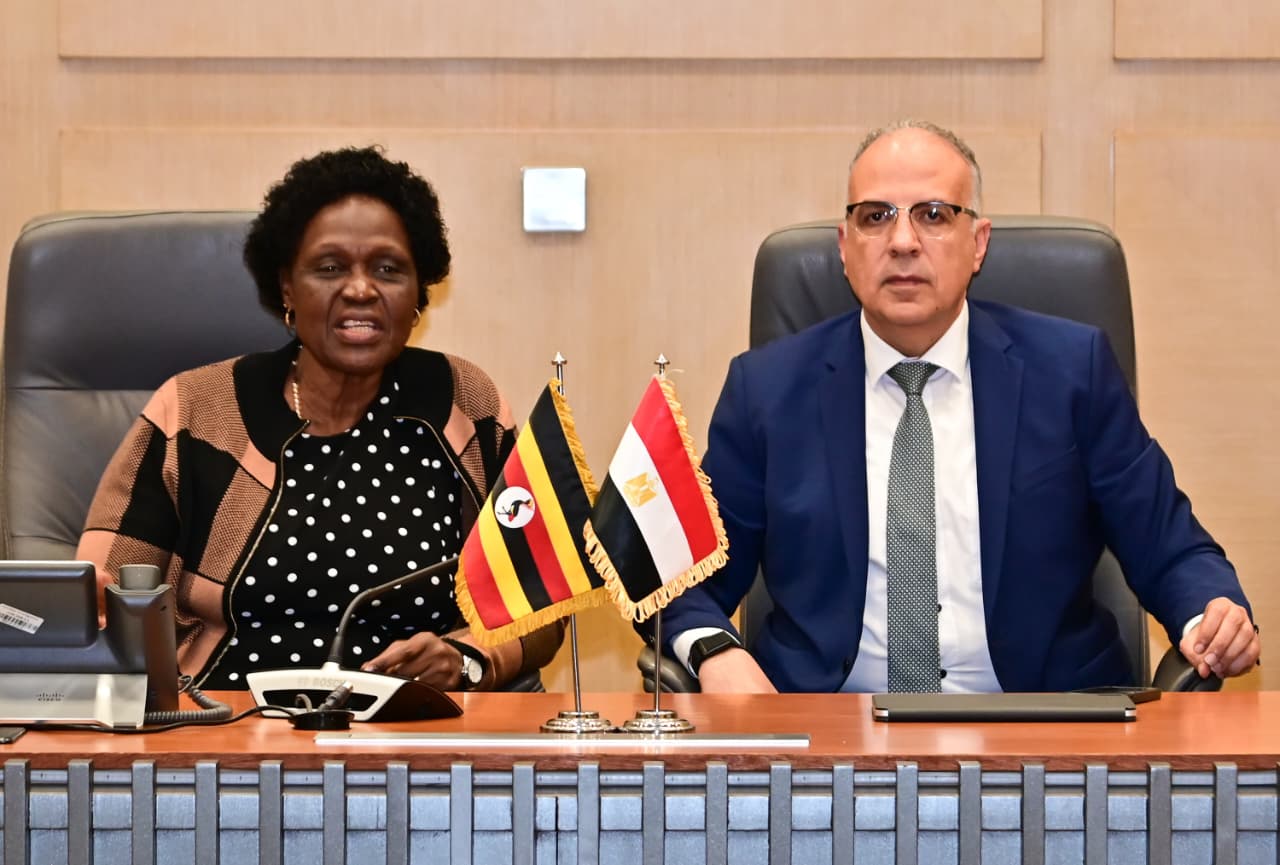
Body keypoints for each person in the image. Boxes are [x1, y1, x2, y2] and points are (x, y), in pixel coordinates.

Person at [658, 120, 1260, 694]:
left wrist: (1210, 614)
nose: (902, 242)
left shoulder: (1072, 371)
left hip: (1044, 727)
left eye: (934, 215)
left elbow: (1171, 546)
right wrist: (715, 653)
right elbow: (679, 578)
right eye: (876, 217)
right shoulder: (767, 390)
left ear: (978, 243)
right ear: (845, 247)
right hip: (830, 728)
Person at [77, 146, 562, 691]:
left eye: (388, 269)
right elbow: (100, 604)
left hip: (415, 726)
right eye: (330, 268)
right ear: (287, 286)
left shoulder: (462, 403)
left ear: (418, 292)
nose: (360, 289)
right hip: (225, 721)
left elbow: (542, 602)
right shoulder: (194, 410)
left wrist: (466, 658)